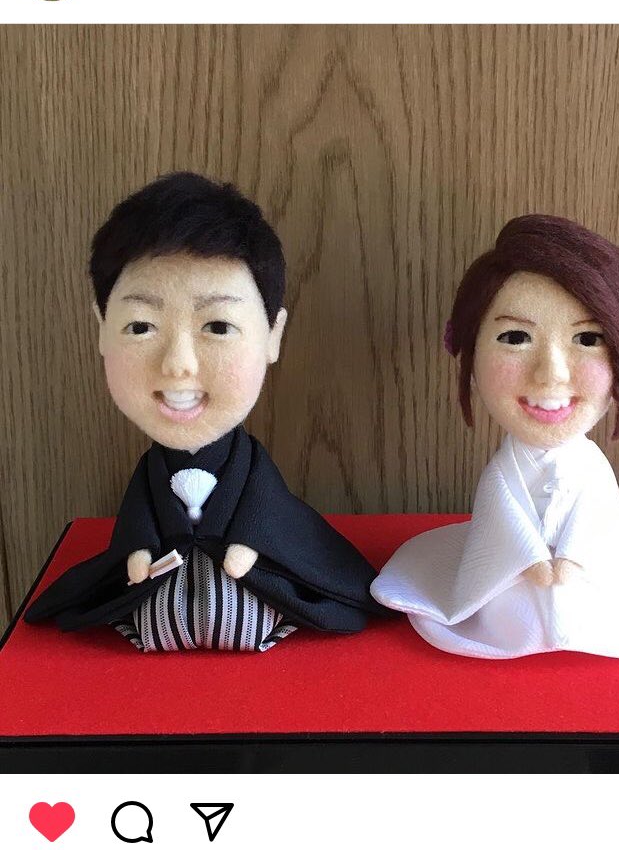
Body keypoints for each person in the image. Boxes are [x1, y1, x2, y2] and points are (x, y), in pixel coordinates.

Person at [26, 172, 384, 651]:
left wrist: (249, 545)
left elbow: (267, 507)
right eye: (140, 326)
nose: (178, 365)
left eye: (217, 326)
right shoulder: (151, 473)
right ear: (102, 328)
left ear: (273, 335)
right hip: (159, 592)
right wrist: (138, 551)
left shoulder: (249, 468)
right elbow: (139, 515)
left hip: (248, 586)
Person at [371, 215, 619, 659]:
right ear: (469, 350)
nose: (552, 374)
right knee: (508, 607)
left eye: (588, 338)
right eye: (515, 337)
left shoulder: (591, 470)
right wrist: (527, 559)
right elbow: (501, 511)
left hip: (599, 588)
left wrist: (575, 557)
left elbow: (598, 511)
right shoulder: (502, 474)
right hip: (505, 593)